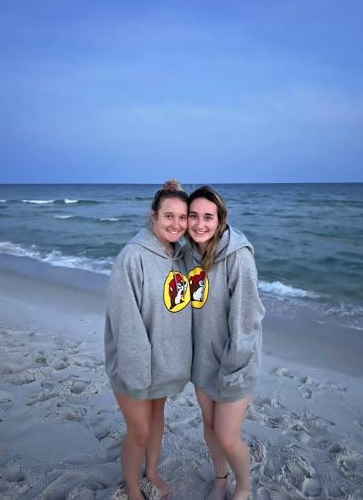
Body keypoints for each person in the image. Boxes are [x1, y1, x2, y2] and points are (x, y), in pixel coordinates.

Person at [104, 180, 192, 500]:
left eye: (183, 217)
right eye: (169, 216)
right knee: (139, 431)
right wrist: (139, 373)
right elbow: (125, 321)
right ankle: (131, 485)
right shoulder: (132, 257)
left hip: (164, 362)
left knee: (157, 418)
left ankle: (151, 471)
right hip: (134, 364)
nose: (176, 224)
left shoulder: (182, 256)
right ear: (153, 216)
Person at [185, 186, 265, 500]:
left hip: (236, 361)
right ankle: (221, 478)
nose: (200, 224)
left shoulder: (238, 257)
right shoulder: (188, 252)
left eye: (208, 217)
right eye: (194, 216)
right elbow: (159, 227)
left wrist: (234, 370)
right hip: (203, 359)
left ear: (221, 220)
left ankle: (243, 487)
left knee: (228, 436)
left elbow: (247, 320)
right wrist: (172, 195)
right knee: (209, 426)